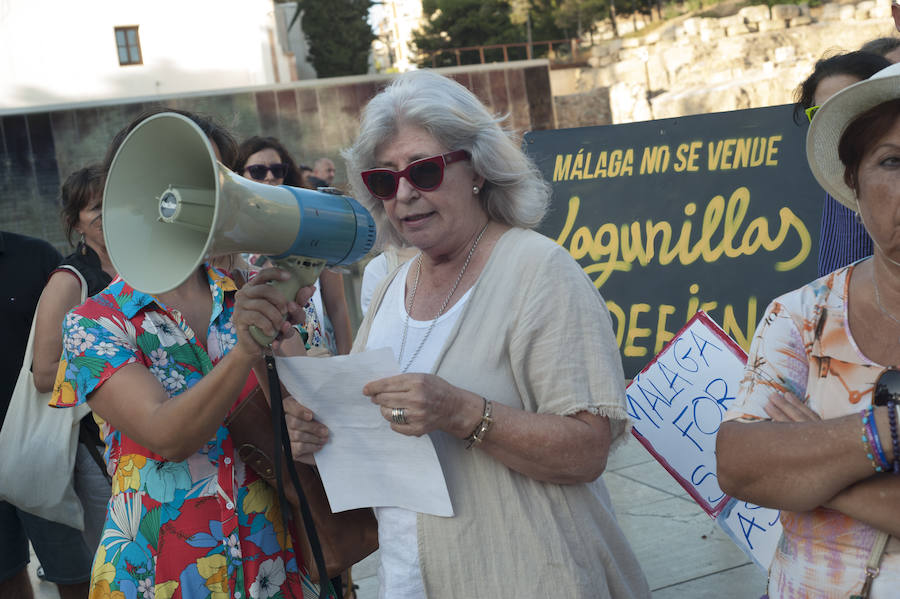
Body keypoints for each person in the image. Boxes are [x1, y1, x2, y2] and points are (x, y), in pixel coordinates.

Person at [290, 70, 650, 598]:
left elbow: (587, 450)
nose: (405, 194)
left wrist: (462, 411)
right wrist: (318, 439)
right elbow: (380, 443)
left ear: (478, 168)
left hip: (529, 578)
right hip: (407, 581)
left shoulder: (539, 271)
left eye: (425, 170)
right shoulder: (391, 283)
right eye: (385, 180)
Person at [51, 110, 333, 599]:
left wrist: (302, 416)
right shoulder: (94, 321)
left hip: (271, 561)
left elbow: (314, 415)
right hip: (159, 569)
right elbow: (167, 435)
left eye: (213, 177)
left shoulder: (256, 293)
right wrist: (245, 350)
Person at [717, 62, 900, 597]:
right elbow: (739, 466)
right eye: (892, 161)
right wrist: (887, 433)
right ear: (853, 182)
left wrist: (815, 468)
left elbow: (769, 472)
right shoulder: (801, 315)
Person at [0, 231, 94, 599]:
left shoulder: (37, 257)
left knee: (76, 575)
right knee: (5, 577)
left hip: (41, 445)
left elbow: (75, 345)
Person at [31, 165, 113, 556]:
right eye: (96, 207)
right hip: (99, 446)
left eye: (115, 201)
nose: (108, 213)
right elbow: (44, 374)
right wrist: (118, 369)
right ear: (75, 223)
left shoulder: (149, 263)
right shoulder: (70, 280)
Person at [236, 136, 354, 355]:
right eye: (258, 171)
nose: (269, 177)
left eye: (277, 170)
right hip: (262, 360)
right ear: (239, 176)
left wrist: (347, 359)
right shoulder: (233, 239)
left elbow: (337, 306)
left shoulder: (313, 227)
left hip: (320, 356)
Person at [793, 51, 891, 276]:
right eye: (819, 112)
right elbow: (836, 280)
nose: (833, 121)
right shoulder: (839, 175)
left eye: (848, 107)